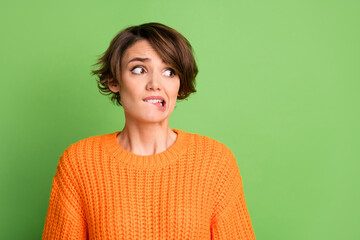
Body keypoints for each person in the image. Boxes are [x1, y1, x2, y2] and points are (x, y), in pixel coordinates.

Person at [41, 22, 255, 239]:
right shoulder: (80, 162)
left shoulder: (215, 161)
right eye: (139, 70)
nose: (155, 84)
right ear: (114, 81)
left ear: (179, 84)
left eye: (169, 71)